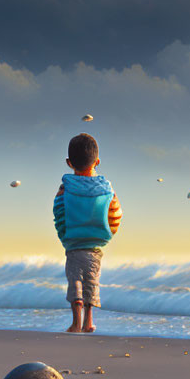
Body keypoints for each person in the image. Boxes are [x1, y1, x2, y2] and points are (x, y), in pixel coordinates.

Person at [52, 133, 122, 333]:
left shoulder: (65, 187)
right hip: (96, 244)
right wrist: (108, 232)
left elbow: (59, 212)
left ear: (69, 162)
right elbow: (115, 212)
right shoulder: (107, 189)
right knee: (92, 279)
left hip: (74, 243)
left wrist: (64, 234)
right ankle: (89, 321)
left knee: (75, 280)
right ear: (97, 161)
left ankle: (76, 323)